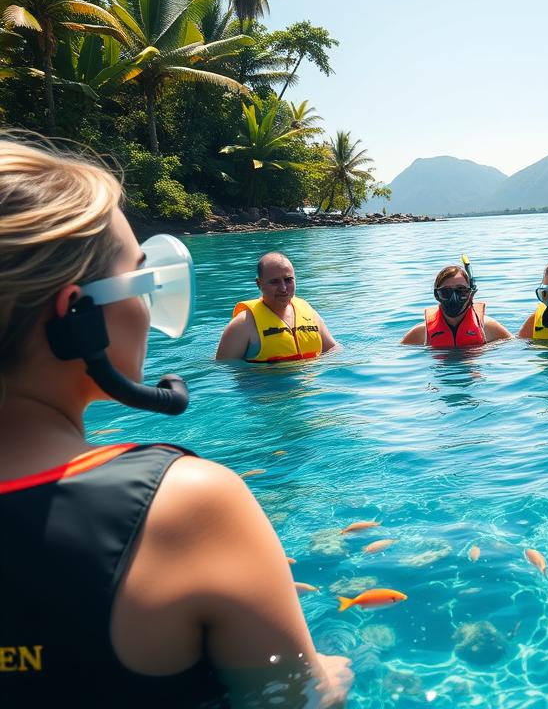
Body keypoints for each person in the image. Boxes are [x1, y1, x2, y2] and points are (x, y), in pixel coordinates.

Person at [0, 138, 352, 707]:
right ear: (77, 318)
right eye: (142, 281)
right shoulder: (190, 505)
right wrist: (328, 675)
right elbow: (296, 698)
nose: (149, 305)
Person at [216, 251, 337, 362]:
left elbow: (333, 350)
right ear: (259, 284)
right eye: (275, 282)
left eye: (288, 280)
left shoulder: (309, 313)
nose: (283, 288)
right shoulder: (243, 324)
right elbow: (223, 369)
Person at [401, 256, 512, 346]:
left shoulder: (488, 327)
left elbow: (516, 348)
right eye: (446, 292)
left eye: (461, 291)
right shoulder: (422, 332)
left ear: (470, 294)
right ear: (436, 295)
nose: (454, 298)